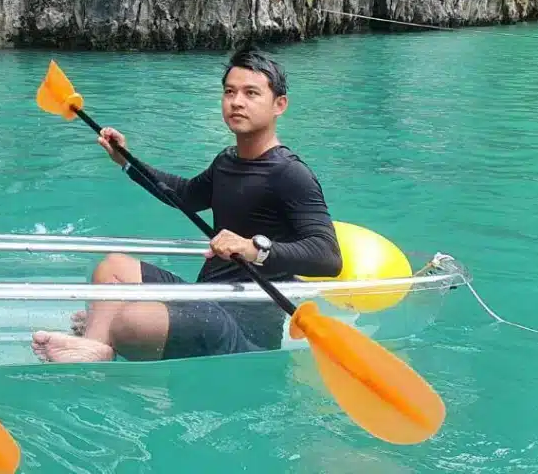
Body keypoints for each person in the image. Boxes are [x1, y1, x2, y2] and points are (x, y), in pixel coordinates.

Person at [31, 48, 342, 363]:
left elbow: (329, 257)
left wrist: (252, 248)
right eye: (229, 92)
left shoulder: (290, 173)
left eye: (251, 93)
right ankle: (96, 347)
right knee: (112, 268)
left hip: (246, 326)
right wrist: (127, 160)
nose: (236, 102)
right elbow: (184, 195)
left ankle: (104, 331)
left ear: (279, 105)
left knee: (131, 319)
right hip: (205, 299)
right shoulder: (227, 161)